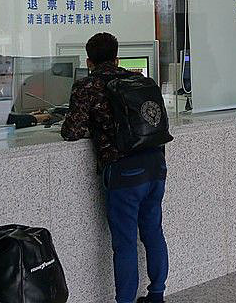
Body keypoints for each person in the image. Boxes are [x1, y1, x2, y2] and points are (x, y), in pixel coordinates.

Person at [61, 32, 168, 303]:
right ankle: (157, 294)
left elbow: (71, 131)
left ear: (89, 61)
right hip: (155, 165)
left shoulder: (87, 86)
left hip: (124, 172)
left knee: (125, 243)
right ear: (117, 57)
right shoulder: (142, 81)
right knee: (153, 232)